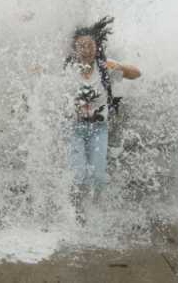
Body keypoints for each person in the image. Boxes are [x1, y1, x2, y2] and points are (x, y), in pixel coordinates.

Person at [62, 16, 140, 222]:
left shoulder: (104, 68)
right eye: (81, 46)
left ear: (97, 46)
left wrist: (117, 66)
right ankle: (75, 212)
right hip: (75, 128)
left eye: (90, 45)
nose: (86, 50)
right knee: (78, 175)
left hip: (99, 129)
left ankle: (95, 209)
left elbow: (137, 74)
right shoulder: (68, 69)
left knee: (97, 175)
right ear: (75, 48)